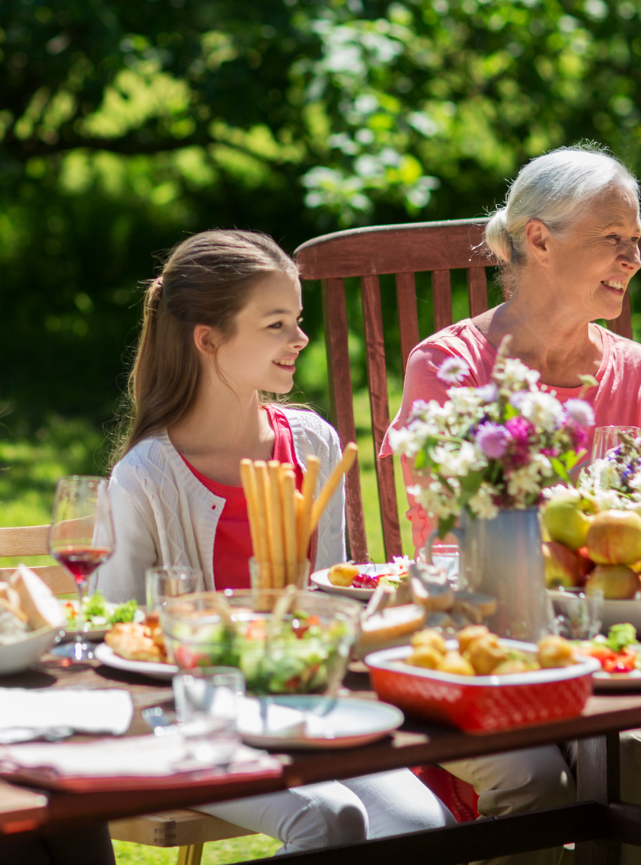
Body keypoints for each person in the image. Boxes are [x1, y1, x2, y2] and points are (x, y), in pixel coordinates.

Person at [99, 230, 453, 852]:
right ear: (208, 339)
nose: (300, 339)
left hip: (304, 708)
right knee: (328, 817)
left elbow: (332, 604)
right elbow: (121, 639)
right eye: (275, 324)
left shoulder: (312, 445)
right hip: (190, 722)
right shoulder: (146, 478)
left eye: (297, 320)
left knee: (421, 824)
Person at [381, 147, 641, 865]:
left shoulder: (635, 372)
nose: (632, 258)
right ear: (538, 239)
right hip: (485, 644)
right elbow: (443, 533)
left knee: (628, 751)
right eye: (613, 239)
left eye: (636, 241)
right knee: (538, 779)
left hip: (603, 641)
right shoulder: (449, 366)